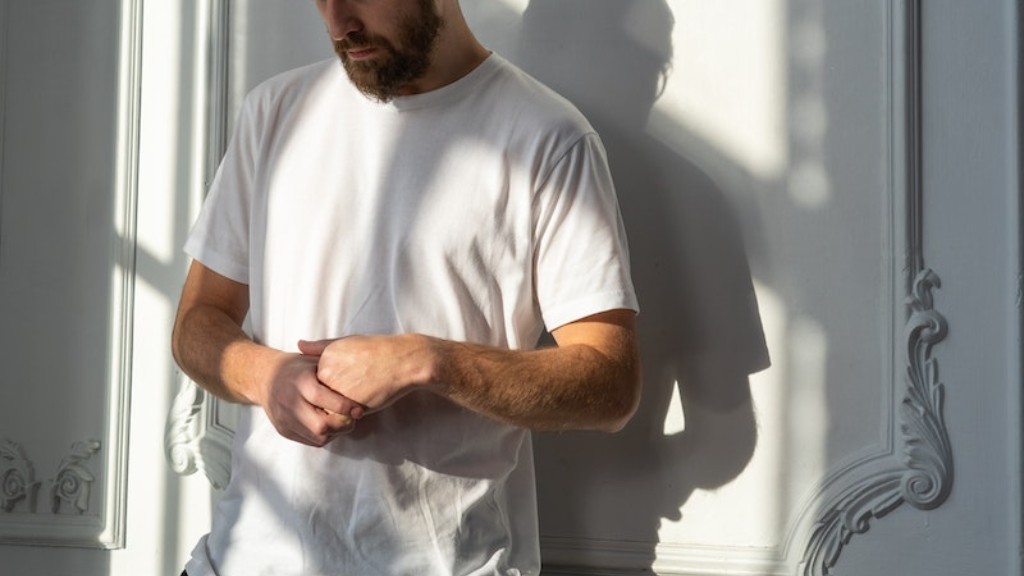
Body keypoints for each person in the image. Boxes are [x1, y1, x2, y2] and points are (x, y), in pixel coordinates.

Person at [171, 0, 640, 574]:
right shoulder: (274, 112)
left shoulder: (549, 138)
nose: (338, 22)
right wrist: (267, 376)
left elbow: (611, 382)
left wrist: (430, 361)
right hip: (241, 559)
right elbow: (198, 323)